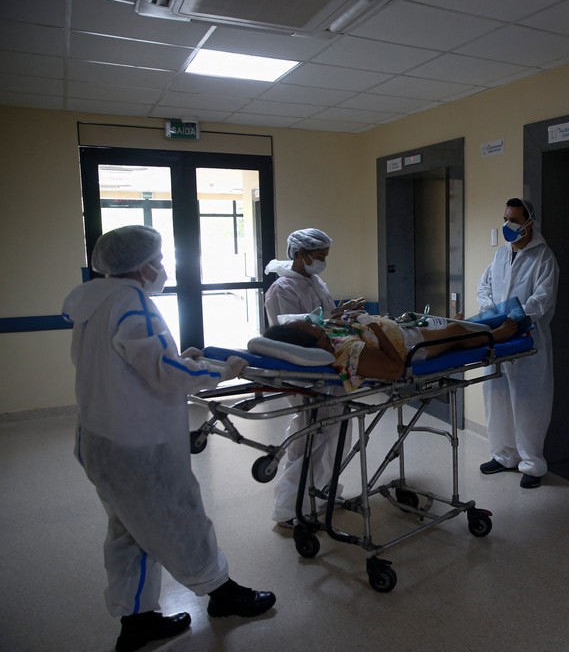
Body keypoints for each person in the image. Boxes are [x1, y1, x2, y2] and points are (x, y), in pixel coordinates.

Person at [62, 225, 276, 652]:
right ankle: (221, 592)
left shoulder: (92, 303)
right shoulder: (133, 303)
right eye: (158, 261)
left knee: (130, 530)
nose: (161, 268)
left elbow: (128, 363)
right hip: (138, 445)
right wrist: (220, 371)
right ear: (142, 267)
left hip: (99, 441)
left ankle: (137, 620)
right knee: (180, 519)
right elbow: (164, 373)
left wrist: (181, 358)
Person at [263, 228, 363, 527]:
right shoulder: (282, 289)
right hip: (303, 370)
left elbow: (322, 316)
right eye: (318, 257)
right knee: (309, 437)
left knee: (335, 434)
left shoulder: (315, 281)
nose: (322, 262)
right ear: (299, 253)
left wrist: (341, 313)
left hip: (329, 366)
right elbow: (291, 330)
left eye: (325, 257)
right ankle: (289, 509)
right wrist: (327, 320)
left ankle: (322, 495)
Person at [476, 198, 559, 489]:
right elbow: (483, 287)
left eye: (513, 220)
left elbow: (542, 299)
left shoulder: (543, 258)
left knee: (529, 404)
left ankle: (532, 464)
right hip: (498, 336)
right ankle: (503, 455)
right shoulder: (500, 256)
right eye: (505, 219)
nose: (507, 226)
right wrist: (493, 315)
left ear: (529, 223)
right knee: (496, 397)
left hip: (527, 339)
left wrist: (513, 318)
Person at [263, 314, 518, 391]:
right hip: (413, 350)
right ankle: (495, 336)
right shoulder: (351, 354)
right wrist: (376, 329)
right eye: (308, 326)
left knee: (455, 327)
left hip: (406, 335)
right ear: (308, 340)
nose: (312, 323)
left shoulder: (330, 341)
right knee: (455, 332)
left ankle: (489, 328)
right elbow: (396, 369)